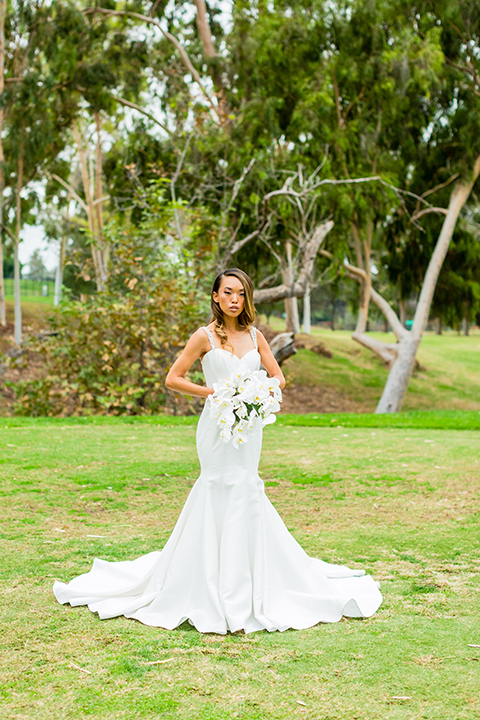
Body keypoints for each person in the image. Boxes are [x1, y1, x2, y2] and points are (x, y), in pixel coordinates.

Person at [53, 268, 382, 633]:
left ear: (246, 298)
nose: (234, 299)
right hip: (216, 427)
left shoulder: (256, 336)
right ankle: (207, 579)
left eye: (240, 293)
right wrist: (215, 394)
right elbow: (173, 379)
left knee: (245, 487)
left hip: (248, 428)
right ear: (215, 296)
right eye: (227, 292)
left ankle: (250, 579)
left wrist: (256, 394)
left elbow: (279, 378)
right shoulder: (204, 336)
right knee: (216, 486)